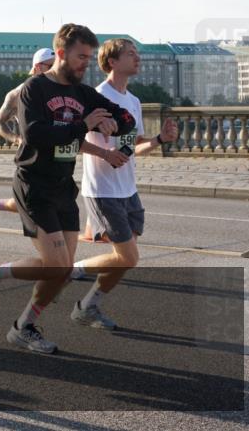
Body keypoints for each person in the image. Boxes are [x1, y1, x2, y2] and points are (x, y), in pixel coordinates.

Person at [0, 23, 136, 354]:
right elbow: (36, 135)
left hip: (63, 186)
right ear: (61, 53)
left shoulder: (84, 93)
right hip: (34, 183)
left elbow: (127, 120)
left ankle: (15, 314)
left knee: (61, 272)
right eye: (80, 57)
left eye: (89, 58)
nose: (85, 64)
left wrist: (112, 123)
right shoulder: (34, 89)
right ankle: (1, 290)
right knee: (58, 267)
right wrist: (83, 124)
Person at [70, 38, 178, 329]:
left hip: (128, 189)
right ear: (112, 62)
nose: (138, 58)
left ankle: (87, 306)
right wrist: (106, 154)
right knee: (128, 257)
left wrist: (159, 140)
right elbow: (71, 142)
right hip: (103, 190)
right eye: (131, 54)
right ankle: (74, 270)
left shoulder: (133, 102)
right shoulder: (95, 97)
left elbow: (132, 146)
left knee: (123, 259)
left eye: (137, 54)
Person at [0, 48, 55, 229]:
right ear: (39, 67)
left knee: (46, 201)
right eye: (52, 66)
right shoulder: (18, 93)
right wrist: (17, 139)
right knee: (36, 203)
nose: (57, 70)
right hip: (32, 156)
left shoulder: (57, 90)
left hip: (54, 156)